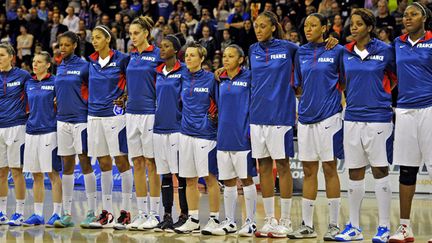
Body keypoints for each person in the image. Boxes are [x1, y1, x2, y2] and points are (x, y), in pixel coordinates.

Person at [334, 8, 397, 242]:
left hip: (378, 117)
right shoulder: (344, 52)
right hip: (351, 118)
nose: (353, 27)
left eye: (359, 24)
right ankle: (354, 227)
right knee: (354, 171)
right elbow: (340, 80)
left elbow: (395, 76)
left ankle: (383, 227)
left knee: (380, 170)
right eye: (352, 24)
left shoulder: (386, 51)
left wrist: (380, 95)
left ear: (370, 28)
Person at [289, 13, 344, 240]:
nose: (308, 29)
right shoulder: (300, 52)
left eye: (313, 25)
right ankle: (307, 226)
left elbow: (346, 82)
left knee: (330, 170)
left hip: (329, 118)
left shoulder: (336, 50)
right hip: (305, 119)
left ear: (324, 28)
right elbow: (298, 87)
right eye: (306, 25)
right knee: (309, 171)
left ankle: (333, 225)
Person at [248, 11, 298, 238]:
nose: (258, 30)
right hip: (258, 116)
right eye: (256, 26)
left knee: (283, 165)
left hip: (280, 115)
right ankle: (269, 219)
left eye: (262, 26)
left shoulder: (289, 48)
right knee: (264, 167)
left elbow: (308, 59)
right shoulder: (252, 50)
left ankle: (286, 220)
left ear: (274, 27)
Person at [389, 2, 432, 243]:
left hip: (430, 109)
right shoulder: (398, 43)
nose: (407, 18)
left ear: (424, 18)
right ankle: (405, 228)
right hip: (404, 111)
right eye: (405, 15)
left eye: (413, 14)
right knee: (406, 171)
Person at [208, 44, 258, 237]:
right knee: (228, 181)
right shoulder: (219, 78)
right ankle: (229, 221)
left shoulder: (249, 77)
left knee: (246, 180)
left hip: (242, 137)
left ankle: (251, 222)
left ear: (241, 59)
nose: (226, 59)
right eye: (224, 56)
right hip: (223, 136)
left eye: (231, 56)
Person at [86, 25, 132, 229]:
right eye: (92, 38)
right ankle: (106, 213)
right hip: (94, 116)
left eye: (98, 37)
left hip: (115, 117)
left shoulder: (122, 59)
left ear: (107, 38)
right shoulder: (91, 61)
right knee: (103, 163)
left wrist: (125, 97)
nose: (94, 41)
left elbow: (134, 80)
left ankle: (126, 211)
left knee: (121, 161)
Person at [51, 31, 97, 229]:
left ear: (74, 46)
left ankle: (92, 212)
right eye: (60, 45)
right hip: (62, 122)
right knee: (67, 167)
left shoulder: (85, 67)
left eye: (67, 45)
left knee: (85, 164)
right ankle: (67, 213)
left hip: (81, 121)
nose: (62, 48)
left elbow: (93, 91)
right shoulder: (59, 66)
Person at [173, 43, 220, 234]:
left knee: (210, 179)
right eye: (186, 56)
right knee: (190, 179)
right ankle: (193, 219)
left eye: (193, 55)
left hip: (206, 136)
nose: (189, 58)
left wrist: (212, 122)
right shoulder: (182, 75)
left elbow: (219, 104)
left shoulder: (211, 79)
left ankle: (215, 219)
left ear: (202, 59)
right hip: (185, 134)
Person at [123, 16, 162, 231]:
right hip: (131, 113)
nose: (133, 37)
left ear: (146, 33)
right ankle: (141, 212)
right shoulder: (131, 57)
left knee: (151, 163)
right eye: (130, 34)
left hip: (150, 113)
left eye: (136, 33)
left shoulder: (157, 55)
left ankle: (155, 214)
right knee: (137, 162)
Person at [21, 52, 63, 227]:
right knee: (36, 174)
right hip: (31, 132)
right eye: (33, 62)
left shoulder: (55, 82)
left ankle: (57, 213)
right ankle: (38, 214)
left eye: (39, 62)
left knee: (52, 174)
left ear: (48, 65)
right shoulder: (28, 83)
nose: (35, 64)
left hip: (49, 132)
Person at [152, 35, 189, 232]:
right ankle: (167, 214)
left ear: (176, 50)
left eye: (166, 46)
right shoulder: (157, 71)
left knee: (180, 174)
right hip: (159, 128)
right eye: (160, 46)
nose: (162, 49)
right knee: (165, 174)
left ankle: (184, 214)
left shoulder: (183, 71)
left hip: (177, 128)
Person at [0, 43, 30, 226]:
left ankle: (19, 212)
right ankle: (1, 212)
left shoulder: (23, 76)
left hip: (16, 127)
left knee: (16, 171)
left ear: (11, 57)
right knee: (1, 173)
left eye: (2, 55)